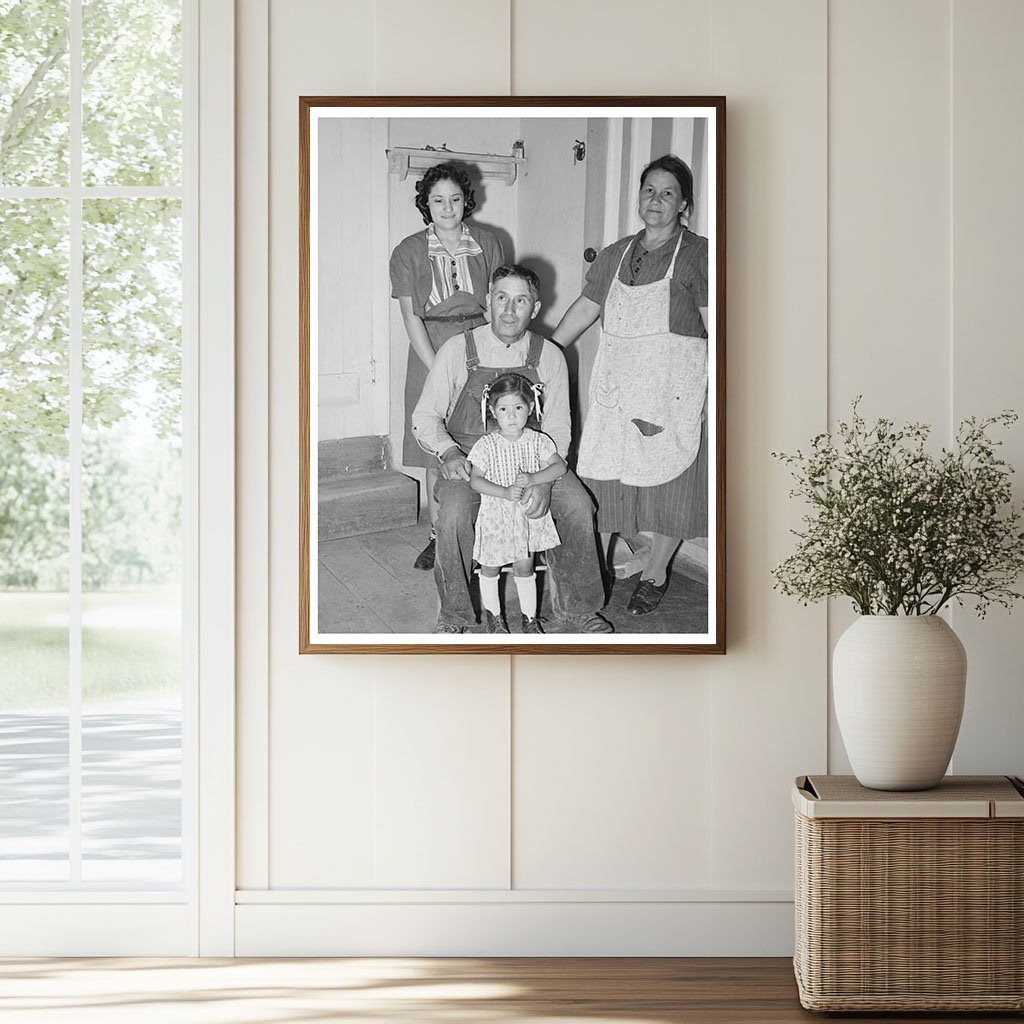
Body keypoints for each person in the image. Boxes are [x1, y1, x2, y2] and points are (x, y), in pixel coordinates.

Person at [413, 265, 613, 635]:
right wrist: (448, 452)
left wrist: (544, 482)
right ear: (489, 302)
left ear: (534, 309)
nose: (508, 309)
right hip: (472, 462)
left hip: (534, 460)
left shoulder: (548, 354)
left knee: (578, 506)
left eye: (520, 301)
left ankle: (578, 608)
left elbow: (558, 430)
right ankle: (454, 615)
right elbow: (425, 416)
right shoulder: (459, 349)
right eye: (501, 298)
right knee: (454, 513)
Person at [552, 154, 709, 616]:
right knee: (604, 480)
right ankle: (594, 571)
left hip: (671, 390)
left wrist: (713, 394)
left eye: (668, 193)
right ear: (638, 196)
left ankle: (656, 572)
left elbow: (714, 326)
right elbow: (585, 309)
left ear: (684, 204)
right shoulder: (615, 253)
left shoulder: (699, 254)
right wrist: (545, 354)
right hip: (618, 389)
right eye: (649, 190)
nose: (655, 200)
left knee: (670, 486)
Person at [389, 162, 504, 570]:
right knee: (436, 447)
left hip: (480, 346)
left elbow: (497, 304)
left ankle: (482, 533)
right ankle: (441, 539)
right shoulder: (407, 250)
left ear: (466, 200)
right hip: (430, 348)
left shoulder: (489, 243)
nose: (447, 207)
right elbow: (410, 317)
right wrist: (441, 368)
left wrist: (491, 358)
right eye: (438, 200)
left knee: (485, 440)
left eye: (455, 198)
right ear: (426, 203)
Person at [468, 373, 567, 635]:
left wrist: (535, 477)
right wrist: (502, 492)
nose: (511, 416)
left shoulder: (538, 441)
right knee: (490, 567)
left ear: (531, 408)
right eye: (503, 409)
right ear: (492, 411)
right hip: (496, 516)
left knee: (525, 566)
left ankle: (529, 619)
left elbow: (560, 466)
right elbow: (475, 480)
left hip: (526, 516)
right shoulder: (486, 444)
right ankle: (495, 618)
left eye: (518, 408)